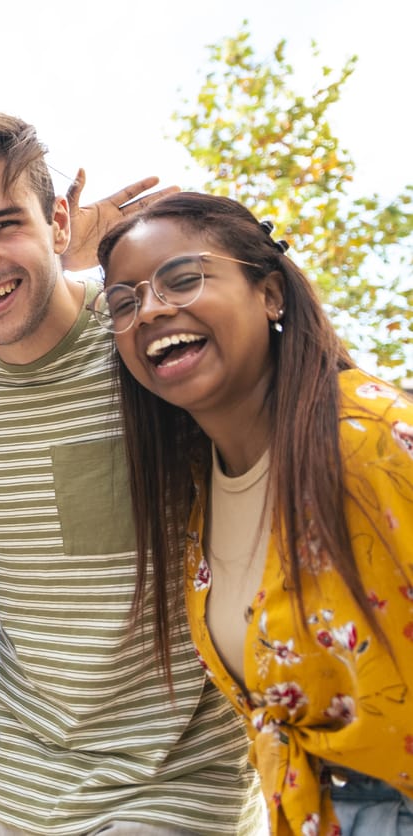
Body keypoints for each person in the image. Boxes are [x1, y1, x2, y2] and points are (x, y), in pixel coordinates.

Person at [0, 110, 259, 835]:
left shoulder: (144, 342)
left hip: (180, 782)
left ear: (60, 222)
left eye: (7, 225)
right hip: (19, 784)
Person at [93, 191, 413, 835]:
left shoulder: (373, 439)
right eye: (124, 302)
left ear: (270, 294)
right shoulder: (196, 488)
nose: (151, 308)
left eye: (183, 278)